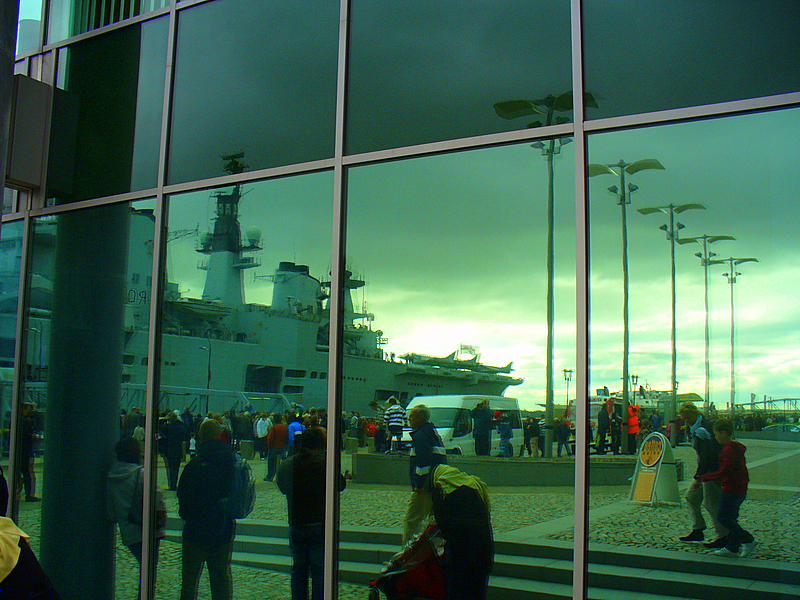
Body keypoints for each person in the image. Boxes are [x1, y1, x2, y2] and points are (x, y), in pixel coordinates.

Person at [277, 428, 346, 600]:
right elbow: (340, 485)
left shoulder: (288, 464)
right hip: (318, 522)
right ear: (319, 445)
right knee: (319, 569)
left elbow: (283, 487)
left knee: (298, 569)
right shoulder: (324, 464)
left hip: (296, 522)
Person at [177, 419, 236, 600]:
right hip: (222, 528)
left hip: (195, 530)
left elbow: (182, 496)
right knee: (221, 578)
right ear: (219, 435)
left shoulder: (194, 465)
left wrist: (189, 516)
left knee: (189, 580)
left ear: (201, 436)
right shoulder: (231, 462)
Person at [107, 438, 166, 599]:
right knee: (148, 575)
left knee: (144, 571)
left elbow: (111, 513)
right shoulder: (141, 474)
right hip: (148, 531)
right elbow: (157, 500)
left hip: (128, 533)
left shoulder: (111, 479)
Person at [429, 464, 493, 600]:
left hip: (460, 553)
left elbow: (443, 526)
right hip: (484, 549)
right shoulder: (474, 485)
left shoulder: (442, 489)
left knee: (458, 591)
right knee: (477, 591)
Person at [699, 418, 757, 558]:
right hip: (739, 487)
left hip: (731, 488)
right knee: (731, 517)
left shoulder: (728, 450)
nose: (716, 437)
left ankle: (748, 540)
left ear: (724, 433)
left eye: (716, 434)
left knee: (723, 517)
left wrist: (705, 477)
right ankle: (732, 547)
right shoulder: (735, 448)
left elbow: (725, 471)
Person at [678, 402, 728, 548]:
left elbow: (708, 455)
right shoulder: (694, 428)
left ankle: (723, 535)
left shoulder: (702, 429)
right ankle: (698, 529)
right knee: (692, 497)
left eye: (688, 417)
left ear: (695, 414)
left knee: (711, 503)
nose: (687, 421)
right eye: (684, 418)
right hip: (707, 469)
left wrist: (698, 477)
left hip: (711, 470)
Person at [402, 404, 447, 545]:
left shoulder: (421, 435)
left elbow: (423, 461)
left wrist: (420, 484)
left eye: (412, 416)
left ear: (420, 418)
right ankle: (435, 548)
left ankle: (407, 551)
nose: (409, 419)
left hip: (425, 487)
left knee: (412, 520)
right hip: (436, 483)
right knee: (434, 520)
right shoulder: (432, 433)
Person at [20, 402, 41, 502]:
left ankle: (25, 493)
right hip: (24, 451)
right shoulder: (25, 422)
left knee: (24, 472)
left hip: (23, 451)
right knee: (27, 472)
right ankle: (28, 494)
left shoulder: (21, 421)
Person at [265, 413, 288, 482]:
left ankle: (270, 476)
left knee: (271, 463)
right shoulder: (284, 427)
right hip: (282, 447)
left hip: (273, 447)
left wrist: (268, 446)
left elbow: (269, 438)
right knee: (282, 463)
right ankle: (282, 477)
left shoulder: (273, 428)